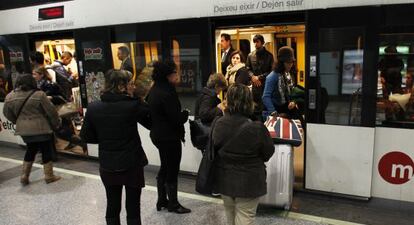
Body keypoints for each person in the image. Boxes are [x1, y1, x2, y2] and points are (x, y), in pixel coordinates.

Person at [81, 69, 151, 225]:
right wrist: (139, 99)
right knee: (133, 205)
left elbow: (86, 137)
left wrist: (107, 138)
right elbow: (152, 121)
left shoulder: (93, 107)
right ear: (121, 86)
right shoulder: (133, 105)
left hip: (107, 164)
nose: (133, 87)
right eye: (131, 84)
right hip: (131, 163)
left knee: (112, 204)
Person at [212, 83, 274, 225]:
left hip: (224, 179)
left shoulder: (219, 123)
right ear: (249, 101)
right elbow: (268, 153)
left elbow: (214, 148)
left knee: (230, 216)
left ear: (228, 100)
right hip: (249, 182)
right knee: (245, 218)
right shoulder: (257, 128)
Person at [147, 60, 191, 214]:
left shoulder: (153, 90)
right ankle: (173, 204)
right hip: (169, 137)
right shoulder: (168, 92)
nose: (176, 76)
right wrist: (185, 114)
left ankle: (162, 200)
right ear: (167, 76)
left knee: (165, 167)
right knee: (172, 169)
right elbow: (176, 119)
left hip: (158, 135)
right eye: (174, 73)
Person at [3, 74, 61, 185]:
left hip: (24, 131)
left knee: (30, 150)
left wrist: (18, 121)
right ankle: (49, 176)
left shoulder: (10, 96)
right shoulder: (39, 95)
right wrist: (56, 124)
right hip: (42, 128)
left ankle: (24, 176)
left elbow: (7, 113)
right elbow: (51, 111)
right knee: (46, 150)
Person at [262, 46, 299, 119]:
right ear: (281, 63)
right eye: (287, 63)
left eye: (291, 62)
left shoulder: (288, 74)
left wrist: (293, 102)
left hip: (286, 109)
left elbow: (291, 91)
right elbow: (265, 97)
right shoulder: (272, 76)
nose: (290, 65)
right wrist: (273, 113)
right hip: (276, 111)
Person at [246, 34, 274, 118]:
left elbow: (271, 71)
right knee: (255, 107)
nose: (255, 44)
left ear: (262, 43)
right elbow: (247, 69)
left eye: (257, 42)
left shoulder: (269, 56)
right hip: (255, 85)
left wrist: (259, 77)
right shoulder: (250, 56)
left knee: (266, 106)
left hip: (266, 84)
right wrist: (253, 77)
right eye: (254, 42)